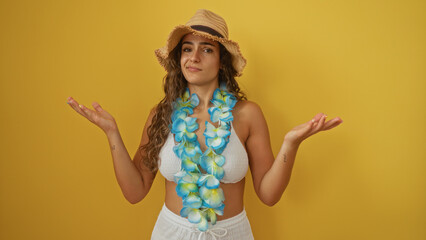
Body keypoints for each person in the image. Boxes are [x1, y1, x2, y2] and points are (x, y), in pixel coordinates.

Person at [66, 9, 343, 240]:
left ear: (222, 61)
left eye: (206, 49)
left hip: (232, 233)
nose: (193, 57)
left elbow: (269, 195)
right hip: (171, 233)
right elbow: (135, 191)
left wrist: (290, 144)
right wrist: (111, 133)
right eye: (187, 49)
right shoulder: (162, 113)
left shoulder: (247, 114)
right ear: (179, 58)